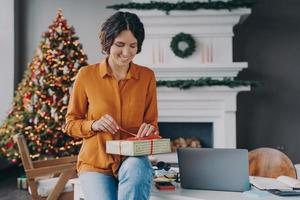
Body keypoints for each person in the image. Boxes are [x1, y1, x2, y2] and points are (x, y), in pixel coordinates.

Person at [64, 11, 159, 200]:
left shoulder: (147, 77)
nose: (126, 53)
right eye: (120, 45)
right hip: (95, 163)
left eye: (132, 46)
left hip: (132, 161)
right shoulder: (86, 75)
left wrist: (150, 130)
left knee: (138, 169)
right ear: (108, 43)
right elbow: (70, 124)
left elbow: (152, 126)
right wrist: (94, 124)